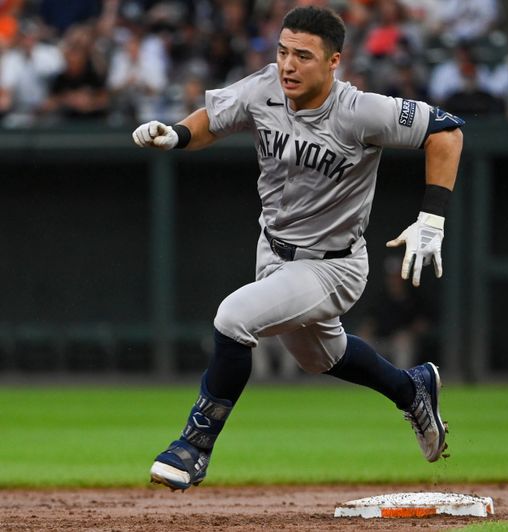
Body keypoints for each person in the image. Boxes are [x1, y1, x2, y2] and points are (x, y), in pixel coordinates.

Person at [132, 5, 464, 491]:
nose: (288, 65)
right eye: (284, 51)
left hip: (333, 266)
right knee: (320, 357)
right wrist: (178, 134)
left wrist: (431, 217)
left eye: (303, 56)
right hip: (273, 251)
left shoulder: (360, 110)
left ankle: (193, 446)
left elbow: (447, 131)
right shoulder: (266, 86)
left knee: (233, 318)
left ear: (334, 62)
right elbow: (216, 117)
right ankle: (410, 389)